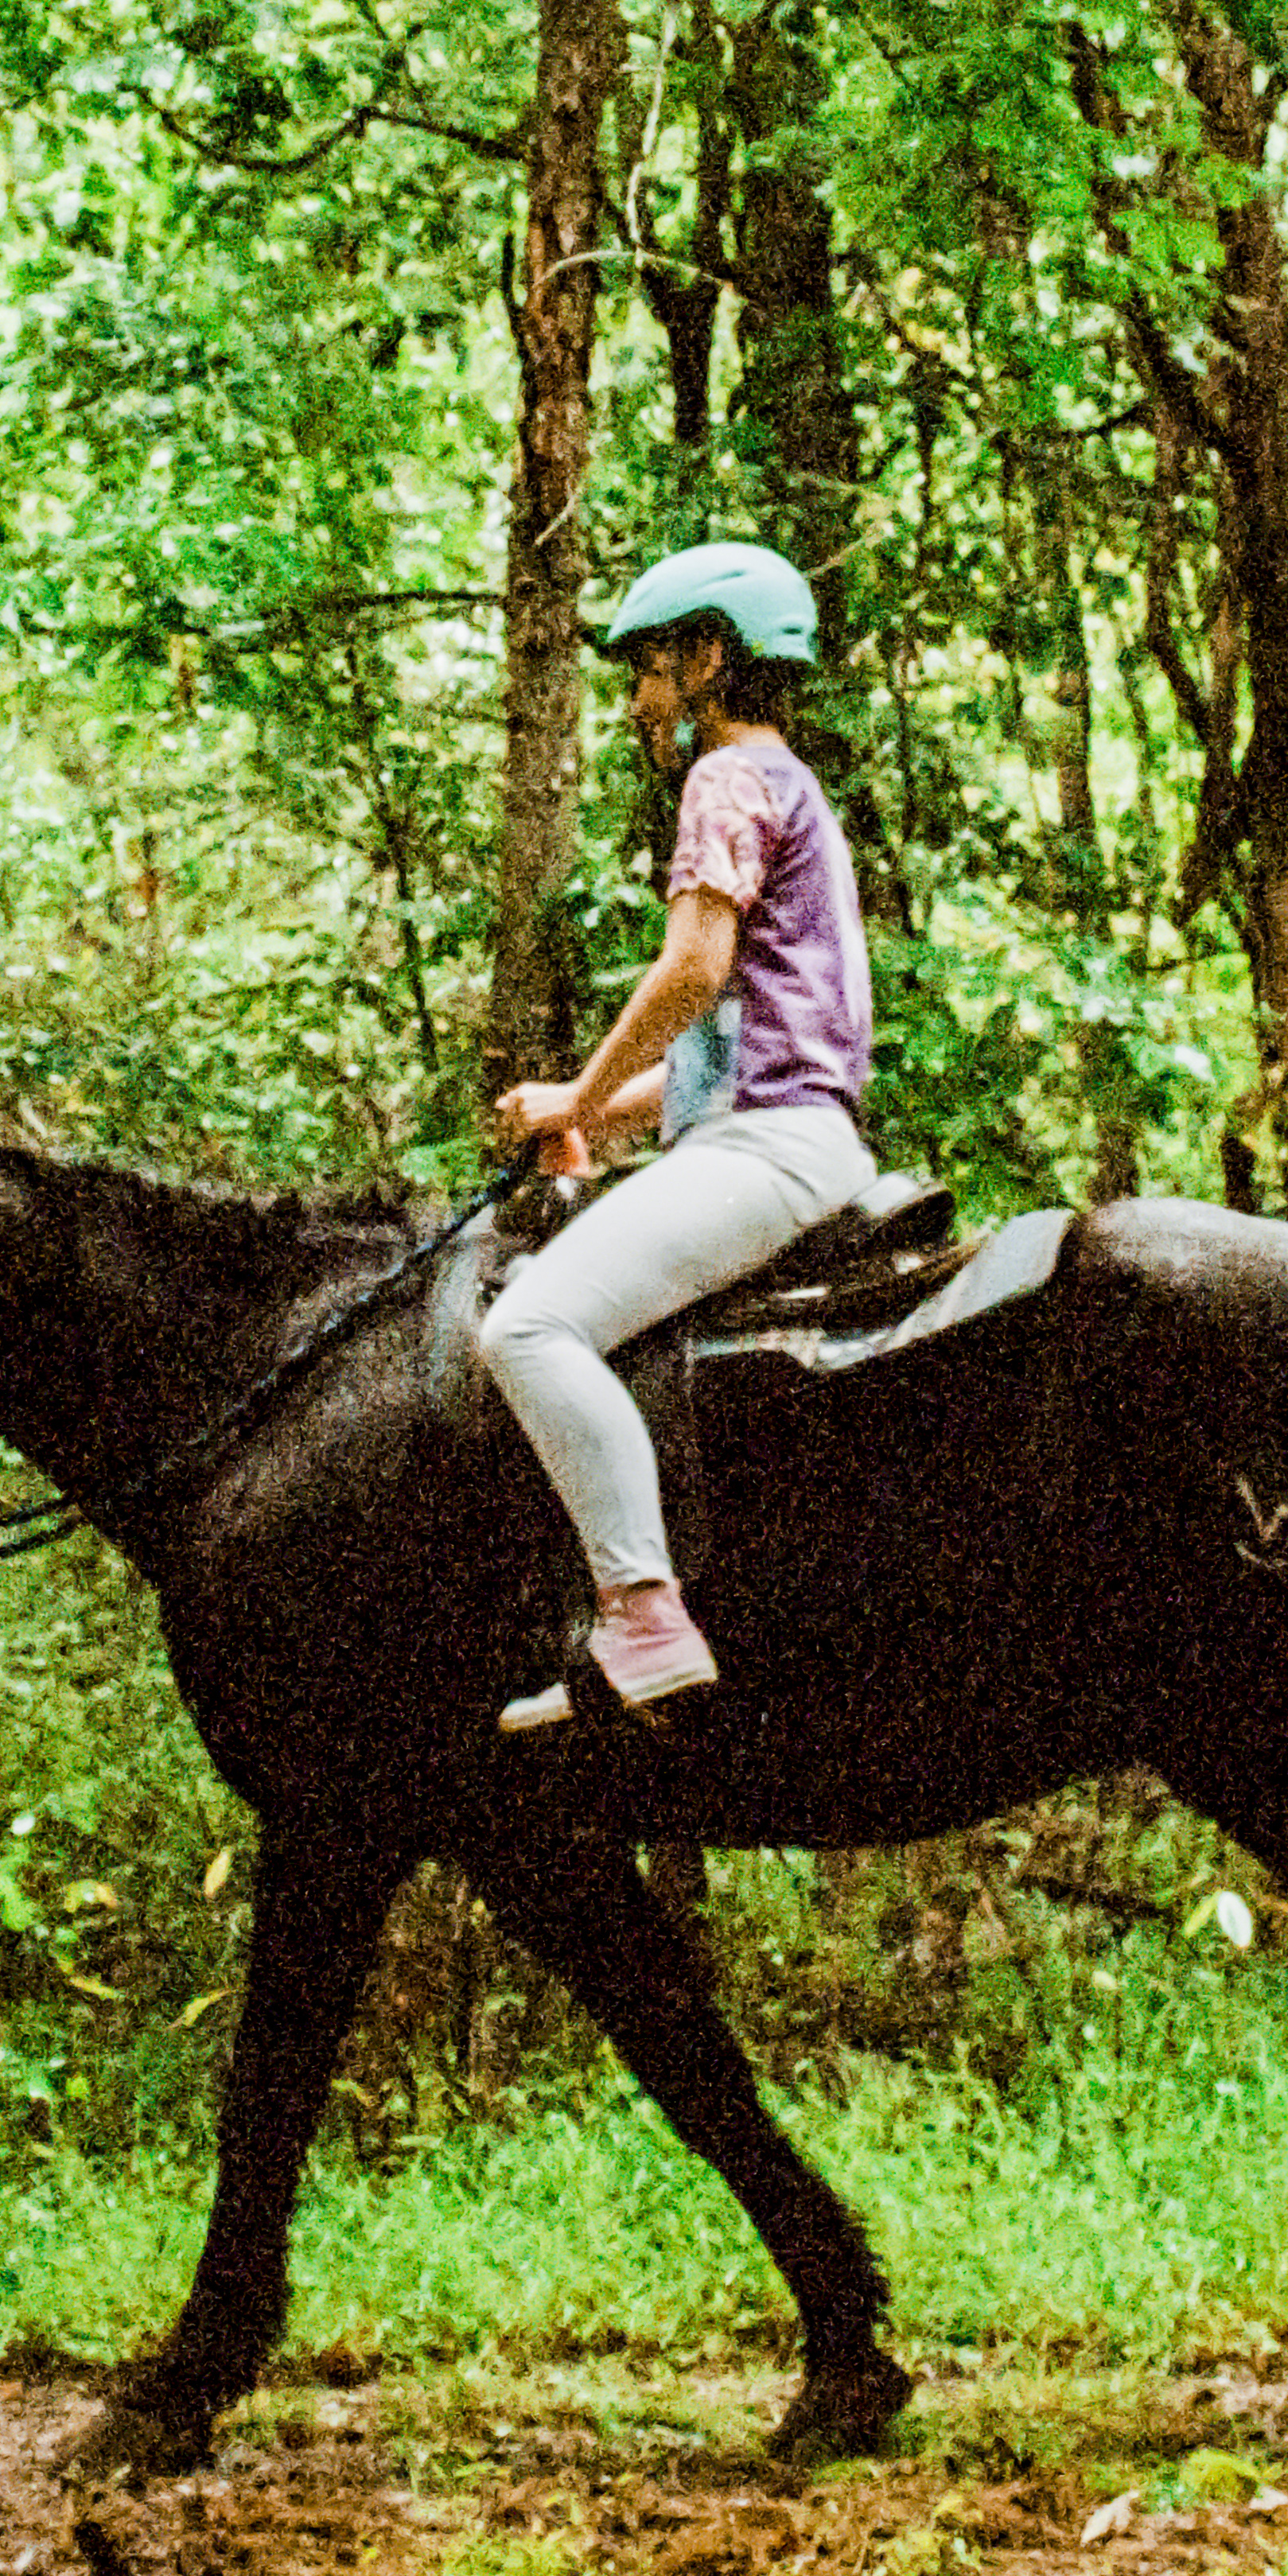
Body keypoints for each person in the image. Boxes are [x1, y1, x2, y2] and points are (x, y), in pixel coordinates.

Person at [477, 539, 880, 1730]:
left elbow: (692, 971)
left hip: (766, 1149)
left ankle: (642, 1615)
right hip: (788, 1131)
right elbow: (731, 1035)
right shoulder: (799, 793)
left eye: (651, 670)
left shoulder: (724, 780)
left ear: (708, 658)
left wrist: (576, 1096)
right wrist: (586, 1106)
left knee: (530, 1325)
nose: (642, 700)